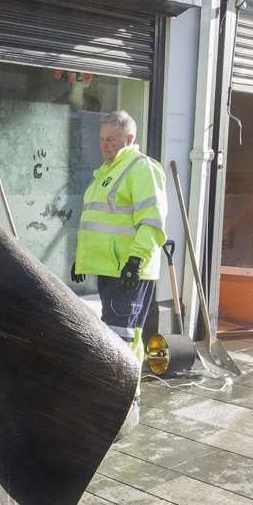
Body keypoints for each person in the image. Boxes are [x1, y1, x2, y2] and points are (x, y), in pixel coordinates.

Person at [70, 111, 167, 415]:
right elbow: (98, 222)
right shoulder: (107, 172)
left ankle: (123, 401)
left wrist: (135, 260)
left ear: (129, 138)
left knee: (122, 337)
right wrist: (81, 259)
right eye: (101, 139)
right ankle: (124, 397)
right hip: (111, 269)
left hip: (128, 269)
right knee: (121, 335)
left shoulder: (140, 169)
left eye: (110, 139)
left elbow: (152, 223)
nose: (104, 145)